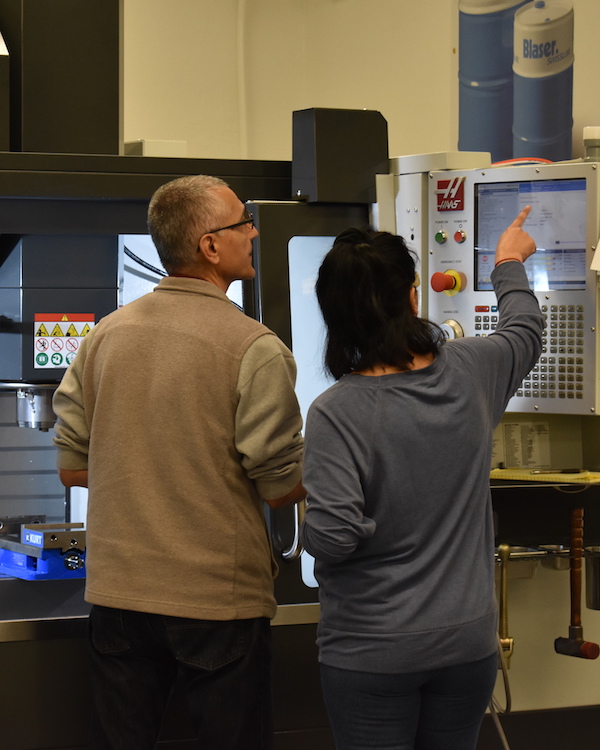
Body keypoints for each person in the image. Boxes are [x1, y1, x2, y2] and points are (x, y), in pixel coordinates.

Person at [52, 174, 305, 750]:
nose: (254, 232)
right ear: (210, 246)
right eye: (243, 223)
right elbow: (279, 488)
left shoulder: (102, 338)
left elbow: (74, 470)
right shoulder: (254, 348)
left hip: (118, 598)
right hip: (217, 603)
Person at [300, 206, 543, 750]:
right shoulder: (472, 369)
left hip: (372, 651)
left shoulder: (336, 412)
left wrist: (302, 507)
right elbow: (525, 329)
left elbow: (334, 539)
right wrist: (507, 260)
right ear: (413, 297)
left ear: (334, 315)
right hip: (466, 645)